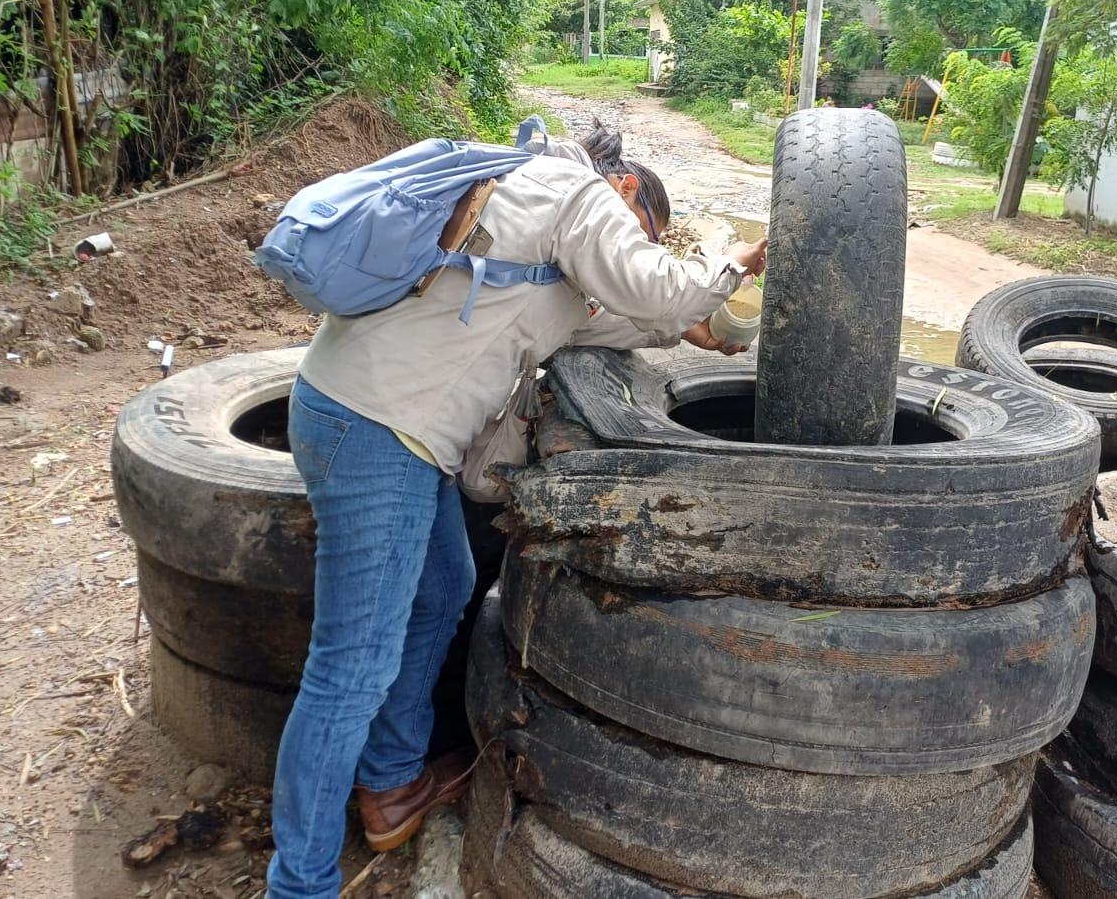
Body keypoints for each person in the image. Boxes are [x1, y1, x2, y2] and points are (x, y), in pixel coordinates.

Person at [266, 122, 768, 898]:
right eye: (642, 235)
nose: (632, 249)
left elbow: (625, 314)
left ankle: (391, 785)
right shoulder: (571, 190)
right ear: (626, 190)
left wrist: (704, 324)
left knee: (442, 588)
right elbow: (656, 288)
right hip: (377, 432)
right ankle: (298, 883)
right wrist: (725, 265)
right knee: (350, 667)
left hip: (371, 418)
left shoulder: (532, 216)